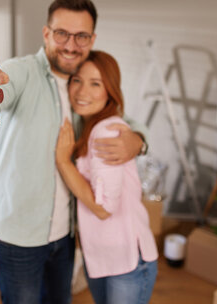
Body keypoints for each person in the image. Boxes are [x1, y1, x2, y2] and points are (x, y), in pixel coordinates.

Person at [0, 0, 149, 304]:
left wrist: (139, 140)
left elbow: (122, 121)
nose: (70, 45)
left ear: (92, 39)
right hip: (17, 235)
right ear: (46, 33)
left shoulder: (84, 86)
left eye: (81, 36)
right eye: (62, 33)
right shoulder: (19, 73)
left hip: (65, 235)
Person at [55, 50, 158, 304]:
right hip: (102, 259)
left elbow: (103, 209)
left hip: (128, 262)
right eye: (77, 80)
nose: (82, 92)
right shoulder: (88, 126)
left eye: (95, 83)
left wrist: (63, 162)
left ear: (110, 90)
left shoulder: (107, 132)